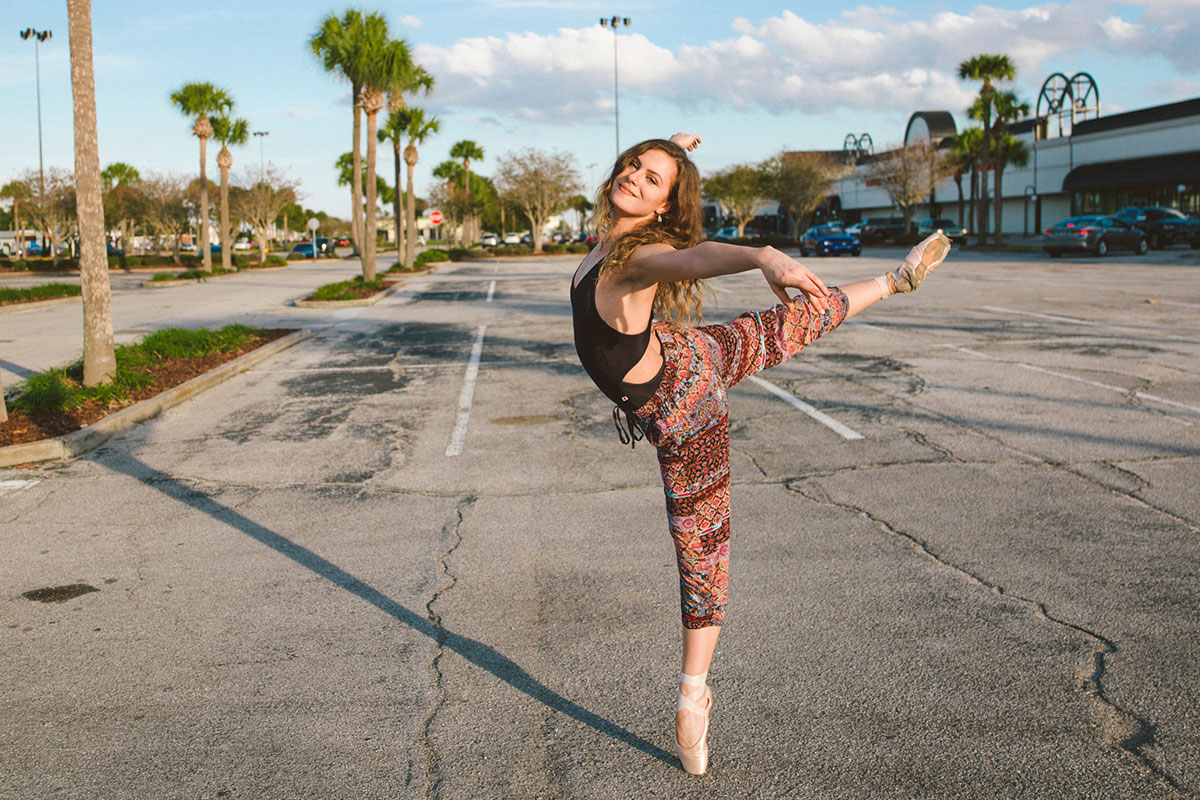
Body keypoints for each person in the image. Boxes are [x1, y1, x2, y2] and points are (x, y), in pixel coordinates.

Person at [570, 133, 950, 775]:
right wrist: (672, 149)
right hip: (681, 357)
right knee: (773, 329)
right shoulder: (608, 238)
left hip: (685, 407)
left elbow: (692, 262)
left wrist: (764, 254)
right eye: (634, 166)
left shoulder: (635, 259)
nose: (636, 177)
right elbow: (658, 209)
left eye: (653, 179)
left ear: (664, 207)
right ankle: (894, 280)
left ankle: (693, 695)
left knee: (702, 551)